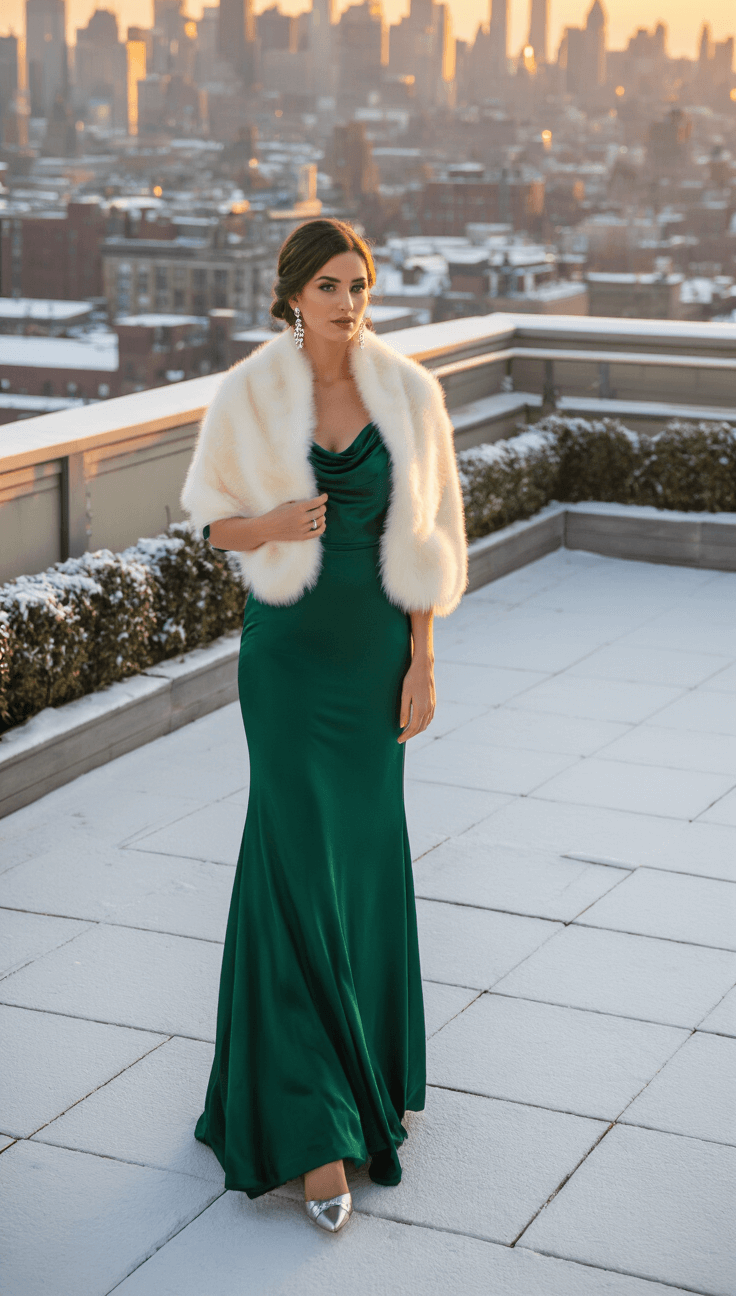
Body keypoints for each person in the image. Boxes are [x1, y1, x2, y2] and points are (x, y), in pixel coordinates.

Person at [180, 217, 467, 1233]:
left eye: (361, 282)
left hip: (376, 654)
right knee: (295, 860)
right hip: (288, 659)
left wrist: (424, 661)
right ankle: (309, 1127)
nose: (350, 299)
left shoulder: (410, 395)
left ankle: (367, 1071)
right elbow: (213, 522)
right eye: (332, 283)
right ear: (292, 292)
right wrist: (272, 524)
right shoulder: (250, 394)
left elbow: (431, 537)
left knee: (364, 854)